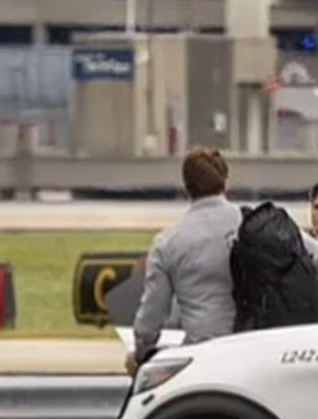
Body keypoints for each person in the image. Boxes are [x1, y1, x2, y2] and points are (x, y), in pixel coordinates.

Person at [127, 147, 318, 374]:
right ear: (226, 183)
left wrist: (139, 353)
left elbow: (151, 319)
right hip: (257, 353)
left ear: (187, 187)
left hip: (203, 357)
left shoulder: (167, 243)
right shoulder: (259, 225)